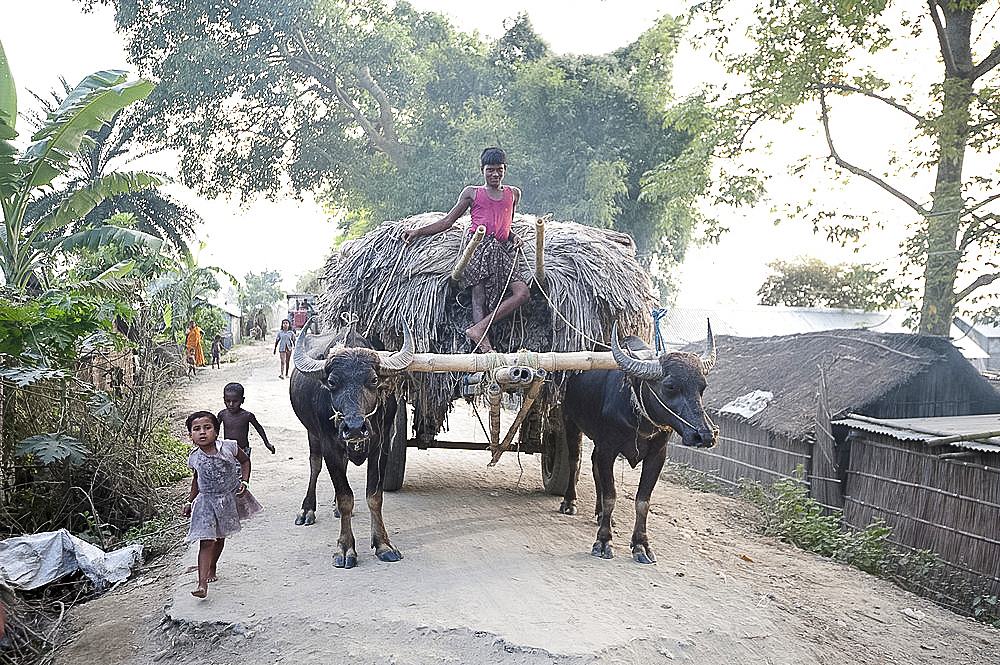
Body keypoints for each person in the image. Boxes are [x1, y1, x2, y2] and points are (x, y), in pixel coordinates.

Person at [401, 147, 531, 352]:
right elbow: (448, 221)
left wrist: (513, 236)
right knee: (478, 298)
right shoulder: (472, 193)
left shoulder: (513, 193)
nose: (495, 174)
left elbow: (507, 222)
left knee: (522, 293)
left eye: (499, 169)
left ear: (505, 169)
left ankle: (479, 328)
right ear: (482, 170)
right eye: (490, 170)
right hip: (477, 247)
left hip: (502, 251)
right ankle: (484, 345)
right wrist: (418, 232)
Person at [182, 410, 262, 598]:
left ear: (216, 432)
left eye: (207, 428)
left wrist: (245, 481)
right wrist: (189, 500)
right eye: (196, 429)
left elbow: (245, 461)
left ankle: (213, 565)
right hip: (205, 502)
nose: (202, 432)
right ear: (190, 435)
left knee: (220, 537)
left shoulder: (229, 447)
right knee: (206, 540)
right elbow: (196, 480)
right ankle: (202, 585)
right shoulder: (194, 457)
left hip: (227, 499)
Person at [218, 382, 276, 457]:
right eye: (228, 401)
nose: (231, 404)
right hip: (228, 449)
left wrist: (267, 443)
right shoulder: (222, 414)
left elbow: (259, 428)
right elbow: (215, 429)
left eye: (235, 401)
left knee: (243, 467)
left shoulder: (247, 416)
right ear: (224, 400)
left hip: (243, 450)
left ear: (242, 400)